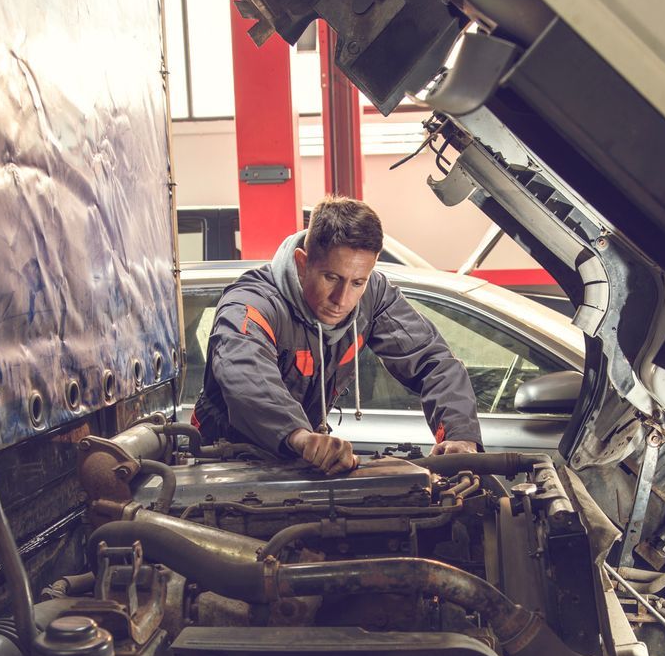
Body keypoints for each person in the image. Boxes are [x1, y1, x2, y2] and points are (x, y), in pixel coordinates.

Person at [192, 197, 483, 475]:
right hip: (223, 465)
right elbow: (246, 374)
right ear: (303, 263)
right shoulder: (251, 304)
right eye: (331, 277)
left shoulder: (373, 296)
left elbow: (433, 361)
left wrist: (460, 436)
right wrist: (300, 436)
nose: (342, 299)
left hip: (299, 458)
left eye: (357, 282)